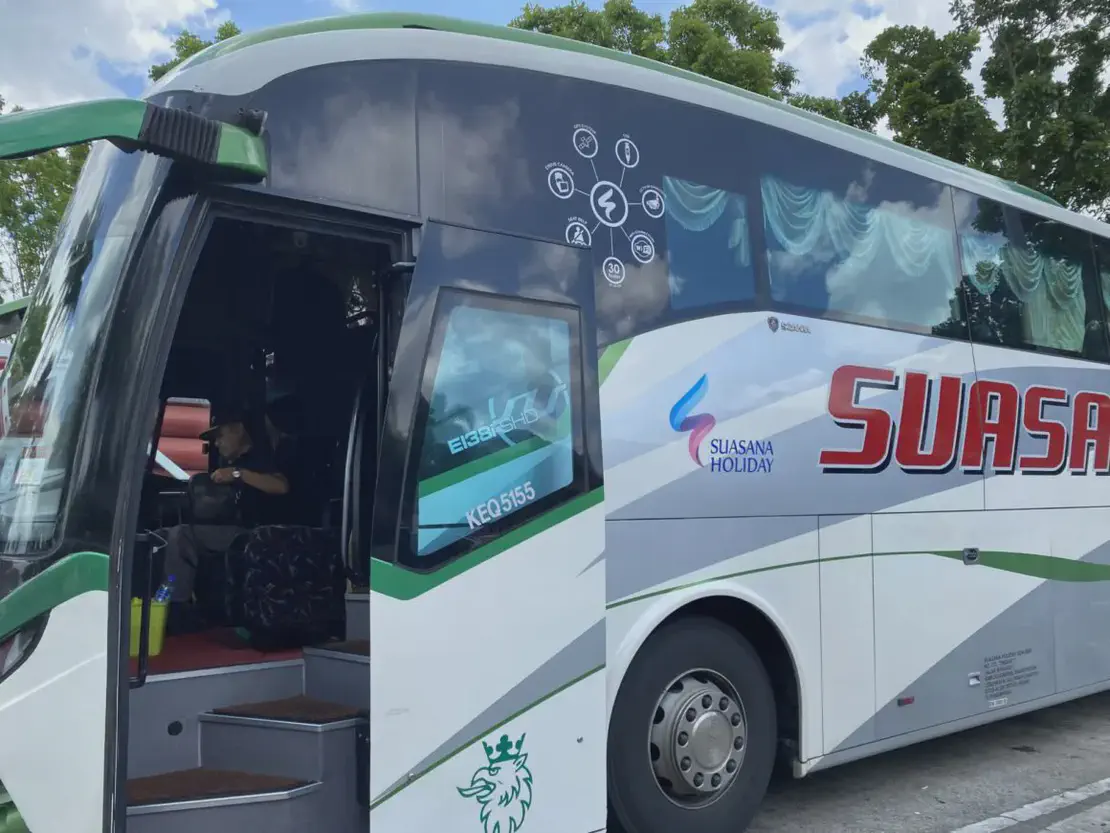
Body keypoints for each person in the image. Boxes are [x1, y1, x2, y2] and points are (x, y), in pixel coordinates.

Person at [159, 408, 290, 605]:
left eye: (219, 436)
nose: (217, 443)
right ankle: (151, 599)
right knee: (160, 537)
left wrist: (238, 474)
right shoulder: (226, 462)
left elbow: (281, 487)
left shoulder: (260, 458)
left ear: (237, 430)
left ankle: (175, 607)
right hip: (225, 529)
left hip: (255, 532)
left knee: (181, 535)